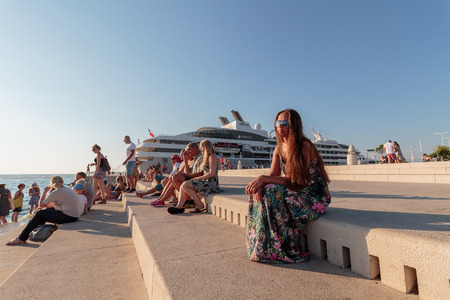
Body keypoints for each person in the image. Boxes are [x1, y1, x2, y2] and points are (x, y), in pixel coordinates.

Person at [245, 109, 331, 263]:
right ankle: (264, 247)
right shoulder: (279, 148)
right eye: (278, 123)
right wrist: (260, 183)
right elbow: (273, 176)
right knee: (261, 190)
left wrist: (263, 179)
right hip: (296, 188)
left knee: (271, 191)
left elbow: (296, 181)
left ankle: (283, 248)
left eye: (284, 123)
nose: (279, 126)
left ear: (294, 125)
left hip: (313, 194)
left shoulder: (304, 146)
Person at [6, 176, 83, 245]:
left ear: (52, 184)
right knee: (44, 211)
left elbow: (41, 205)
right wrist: (45, 206)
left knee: (40, 213)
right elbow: (51, 205)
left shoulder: (56, 192)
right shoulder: (67, 189)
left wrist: (45, 191)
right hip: (74, 215)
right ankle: (36, 231)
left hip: (69, 216)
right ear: (62, 182)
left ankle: (21, 238)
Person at [168, 140, 220, 214]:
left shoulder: (212, 157)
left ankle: (199, 204)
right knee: (184, 185)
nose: (201, 149)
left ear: (206, 147)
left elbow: (212, 173)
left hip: (211, 184)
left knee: (185, 184)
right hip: (205, 182)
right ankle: (179, 207)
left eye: (202, 148)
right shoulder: (206, 157)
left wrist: (198, 178)